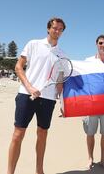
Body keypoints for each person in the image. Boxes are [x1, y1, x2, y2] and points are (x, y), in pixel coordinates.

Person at [7, 17, 67, 174]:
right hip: (26, 95)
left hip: (48, 99)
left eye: (60, 29)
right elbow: (18, 67)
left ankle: (39, 171)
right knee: (18, 134)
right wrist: (29, 87)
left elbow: (60, 81)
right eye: (55, 28)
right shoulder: (33, 44)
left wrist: (63, 104)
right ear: (48, 28)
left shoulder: (62, 55)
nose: (57, 31)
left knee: (42, 134)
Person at [83, 34, 104, 172]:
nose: (103, 45)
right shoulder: (88, 61)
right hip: (92, 103)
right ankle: (90, 158)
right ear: (96, 44)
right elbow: (83, 81)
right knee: (90, 133)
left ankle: (103, 160)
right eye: (101, 43)